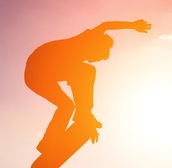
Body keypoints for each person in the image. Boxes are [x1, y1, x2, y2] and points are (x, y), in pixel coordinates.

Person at [24, 20, 151, 153]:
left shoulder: (75, 64)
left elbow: (78, 85)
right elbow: (106, 25)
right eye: (98, 58)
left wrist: (84, 122)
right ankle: (83, 114)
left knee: (66, 106)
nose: (94, 60)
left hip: (37, 77)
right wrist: (133, 25)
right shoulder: (87, 39)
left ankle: (47, 143)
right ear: (97, 48)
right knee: (87, 71)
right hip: (39, 63)